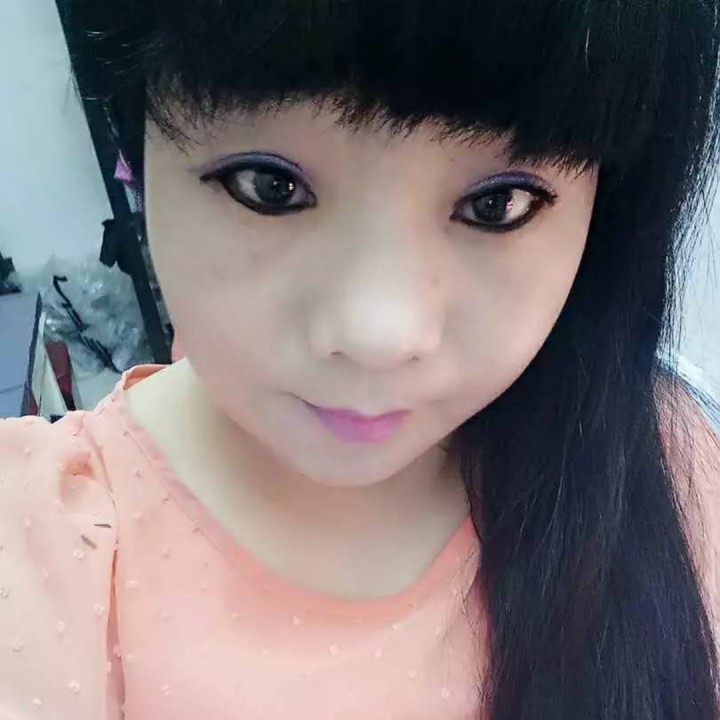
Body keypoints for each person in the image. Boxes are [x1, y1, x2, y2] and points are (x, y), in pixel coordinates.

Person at [2, 1, 720, 718]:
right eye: (270, 187)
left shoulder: (669, 465)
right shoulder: (46, 548)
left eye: (497, 204)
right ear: (136, 150)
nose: (380, 334)